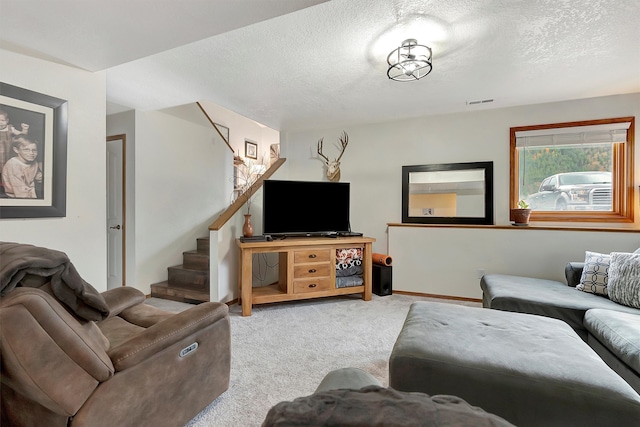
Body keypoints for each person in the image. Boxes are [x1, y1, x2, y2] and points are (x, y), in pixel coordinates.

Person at [0, 109, 30, 196]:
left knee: (8, 172)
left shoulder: (10, 128)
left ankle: (7, 189)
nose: (0, 123)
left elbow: (21, 135)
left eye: (2, 120)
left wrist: (24, 129)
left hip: (8, 155)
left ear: (7, 121)